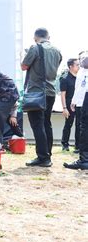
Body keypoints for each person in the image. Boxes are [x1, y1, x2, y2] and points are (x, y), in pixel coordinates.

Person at [21, 28, 62, 167]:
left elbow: (24, 66)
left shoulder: (35, 48)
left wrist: (25, 54)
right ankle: (47, 154)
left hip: (36, 92)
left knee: (37, 124)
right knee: (46, 123)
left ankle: (43, 158)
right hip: (50, 92)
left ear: (35, 37)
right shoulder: (57, 51)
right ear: (48, 37)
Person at [64, 53, 88, 170]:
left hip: (85, 101)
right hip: (81, 101)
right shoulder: (82, 72)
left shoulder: (84, 71)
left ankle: (84, 160)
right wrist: (74, 100)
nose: (81, 62)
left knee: (84, 130)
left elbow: (82, 87)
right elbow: (79, 87)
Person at [59, 58, 80, 151]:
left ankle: (78, 145)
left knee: (79, 125)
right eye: (77, 65)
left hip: (79, 104)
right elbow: (63, 94)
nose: (78, 66)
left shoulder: (80, 77)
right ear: (71, 66)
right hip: (68, 104)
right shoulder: (65, 78)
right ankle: (65, 144)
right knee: (68, 124)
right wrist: (64, 108)